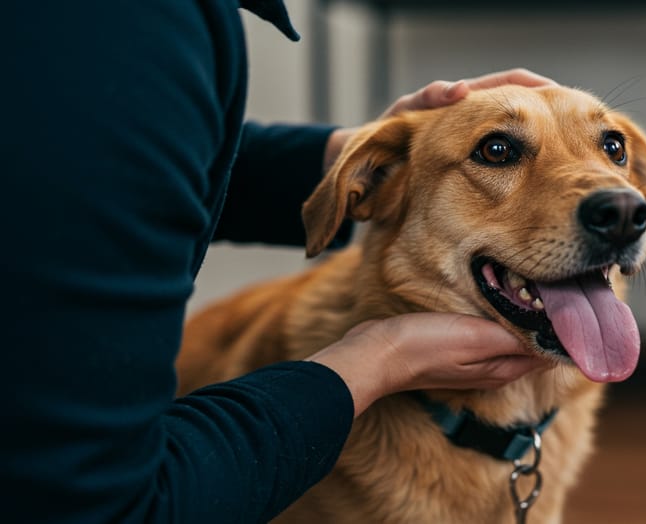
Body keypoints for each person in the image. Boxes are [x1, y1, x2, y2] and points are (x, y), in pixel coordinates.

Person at [0, 1, 554, 522]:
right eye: (499, 152)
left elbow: (106, 163)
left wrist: (361, 158)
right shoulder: (124, 23)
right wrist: (376, 361)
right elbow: (99, 504)